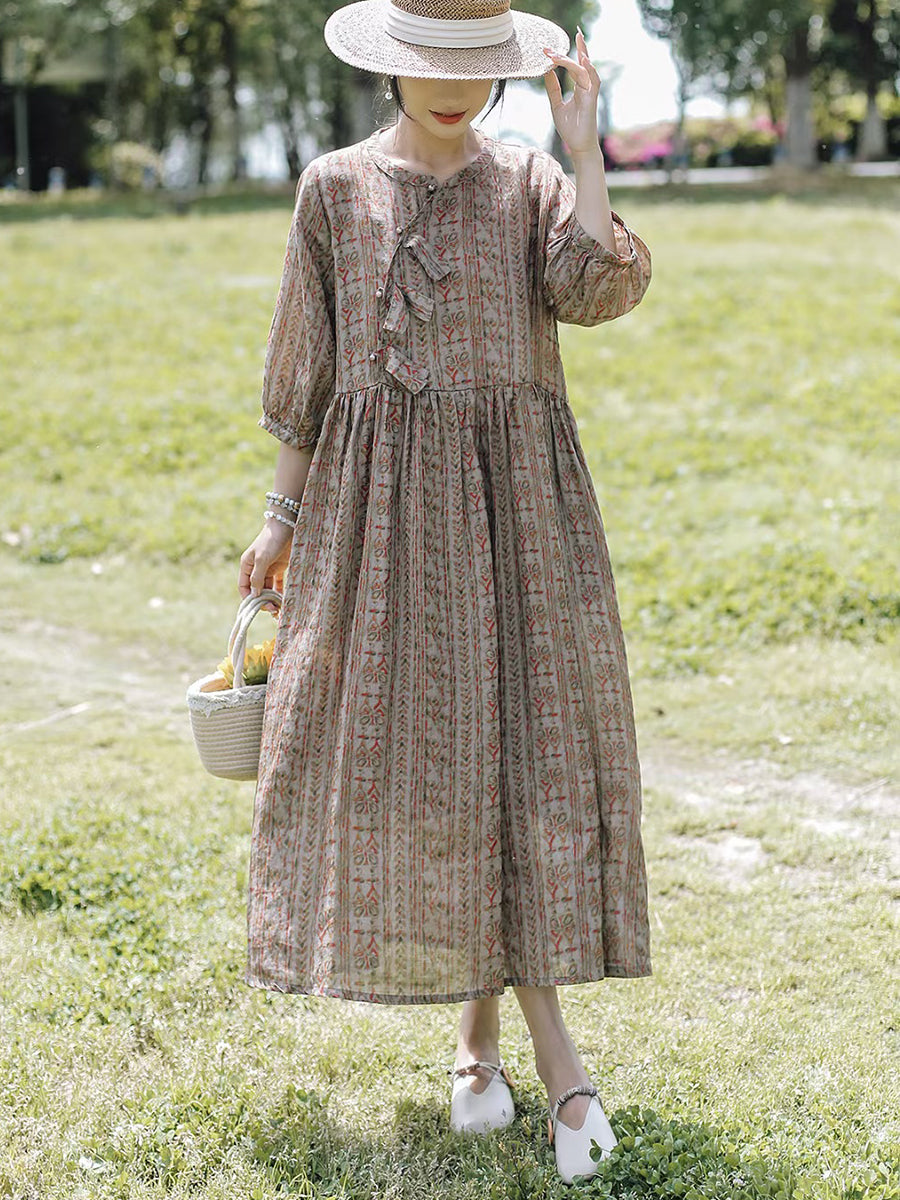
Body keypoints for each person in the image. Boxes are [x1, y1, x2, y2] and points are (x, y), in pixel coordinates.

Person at [238, 0, 652, 1183]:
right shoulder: (332, 189)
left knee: (521, 758)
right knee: (424, 770)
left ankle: (502, 1049)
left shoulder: (526, 180)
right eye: (431, 66)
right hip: (376, 526)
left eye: (476, 69)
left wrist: (583, 149)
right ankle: (538, 1061)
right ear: (387, 67)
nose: (453, 88)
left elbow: (600, 289)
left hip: (519, 517)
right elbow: (305, 371)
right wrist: (281, 519)